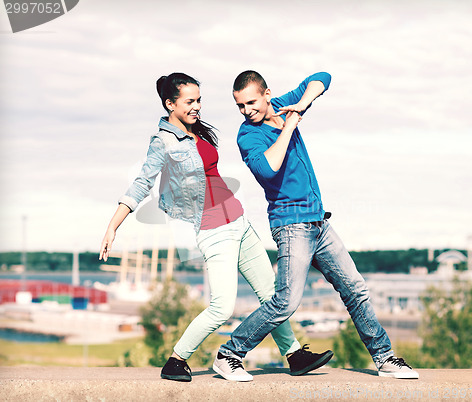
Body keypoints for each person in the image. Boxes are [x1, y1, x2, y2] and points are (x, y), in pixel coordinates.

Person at [99, 72, 332, 383]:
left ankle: (294, 355)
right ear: (170, 104)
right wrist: (114, 225)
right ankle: (176, 360)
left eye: (199, 100)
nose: (197, 107)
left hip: (238, 222)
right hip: (213, 228)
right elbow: (142, 182)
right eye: (189, 102)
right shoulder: (163, 141)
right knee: (222, 307)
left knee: (270, 295)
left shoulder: (198, 133)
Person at [212, 71, 419, 380]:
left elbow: (323, 77)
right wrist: (292, 123)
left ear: (267, 94)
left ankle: (385, 358)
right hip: (291, 226)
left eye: (251, 102)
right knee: (286, 302)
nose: (246, 111)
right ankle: (229, 355)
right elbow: (269, 169)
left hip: (319, 223)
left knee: (356, 289)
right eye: (240, 106)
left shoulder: (283, 104)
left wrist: (302, 104)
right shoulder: (247, 135)